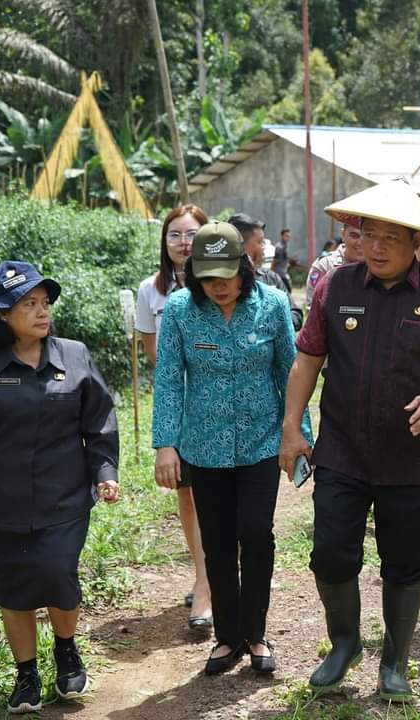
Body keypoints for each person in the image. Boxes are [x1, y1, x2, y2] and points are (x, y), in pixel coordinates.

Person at [279, 179, 420, 702]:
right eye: (371, 235)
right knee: (331, 554)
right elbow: (307, 360)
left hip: (411, 456)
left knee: (405, 561)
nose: (380, 247)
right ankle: (344, 644)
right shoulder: (334, 287)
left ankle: (395, 661)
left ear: (416, 243)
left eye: (393, 237)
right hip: (343, 449)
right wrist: (291, 430)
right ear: (358, 237)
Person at [0, 261, 119, 714]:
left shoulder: (73, 355)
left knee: (57, 573)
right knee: (11, 587)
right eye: (28, 304)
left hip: (64, 496)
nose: (41, 311)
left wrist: (105, 471)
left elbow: (100, 423)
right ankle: (26, 675)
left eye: (44, 302)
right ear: (2, 316)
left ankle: (66, 649)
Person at [152, 221, 312, 676]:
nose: (219, 286)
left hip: (262, 440)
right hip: (203, 446)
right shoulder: (181, 310)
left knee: (256, 532)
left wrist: (297, 435)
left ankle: (255, 632)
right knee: (218, 542)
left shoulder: (273, 304)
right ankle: (227, 637)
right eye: (209, 277)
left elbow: (290, 372)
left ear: (244, 266)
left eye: (227, 274)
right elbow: (167, 381)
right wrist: (166, 444)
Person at [135, 204, 213, 631]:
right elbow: (155, 355)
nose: (184, 243)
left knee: (218, 494)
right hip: (178, 404)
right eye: (175, 235)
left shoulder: (225, 284)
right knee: (189, 495)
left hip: (218, 404)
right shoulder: (153, 290)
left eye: (192, 234)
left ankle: (214, 577)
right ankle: (203, 577)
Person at [229, 212, 303, 331]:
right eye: (259, 242)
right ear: (240, 245)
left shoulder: (271, 279)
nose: (263, 247)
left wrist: (271, 323)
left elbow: (296, 316)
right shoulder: (221, 282)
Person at [305, 219, 364, 310]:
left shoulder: (379, 266)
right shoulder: (325, 265)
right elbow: (313, 310)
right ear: (343, 234)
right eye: (354, 236)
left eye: (366, 236)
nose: (360, 243)